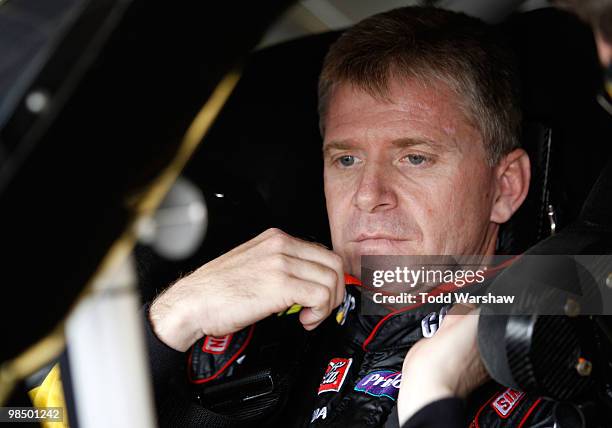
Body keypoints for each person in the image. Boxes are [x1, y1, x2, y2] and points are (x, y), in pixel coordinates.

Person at [145, 6, 535, 427]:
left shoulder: (566, 340)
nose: (368, 196)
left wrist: (433, 390)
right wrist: (169, 322)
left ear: (505, 187)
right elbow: (61, 411)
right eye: (347, 159)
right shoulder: (247, 324)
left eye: (414, 158)